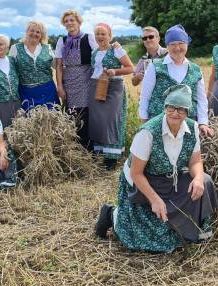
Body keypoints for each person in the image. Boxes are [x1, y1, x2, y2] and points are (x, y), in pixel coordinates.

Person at [95, 84, 217, 252]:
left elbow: (195, 161)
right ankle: (112, 215)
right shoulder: (148, 133)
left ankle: (190, 227)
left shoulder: (193, 128)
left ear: (187, 112)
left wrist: (197, 178)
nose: (175, 113)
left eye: (181, 109)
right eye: (171, 107)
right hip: (144, 181)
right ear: (165, 107)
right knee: (150, 241)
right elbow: (136, 173)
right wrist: (154, 199)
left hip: (169, 179)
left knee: (205, 181)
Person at [138, 24, 213, 137]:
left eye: (181, 43)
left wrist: (203, 123)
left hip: (188, 125)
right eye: (172, 44)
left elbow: (201, 99)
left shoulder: (196, 69)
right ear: (167, 46)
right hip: (158, 125)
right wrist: (145, 124)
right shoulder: (155, 67)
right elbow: (145, 97)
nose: (177, 48)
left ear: (187, 44)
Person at [86, 23, 135, 169]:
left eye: (103, 34)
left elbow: (130, 68)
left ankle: (112, 157)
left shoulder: (117, 50)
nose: (100, 37)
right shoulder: (94, 51)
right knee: (98, 121)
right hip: (96, 86)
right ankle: (100, 153)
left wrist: (115, 71)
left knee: (112, 120)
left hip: (113, 87)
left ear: (109, 36)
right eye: (97, 34)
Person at [54, 10, 95, 149]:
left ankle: (87, 149)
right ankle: (74, 148)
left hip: (85, 80)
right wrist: (60, 86)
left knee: (85, 113)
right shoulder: (62, 40)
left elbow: (101, 52)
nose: (69, 23)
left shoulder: (89, 38)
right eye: (66, 21)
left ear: (79, 22)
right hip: (69, 81)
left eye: (72, 20)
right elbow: (59, 65)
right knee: (71, 114)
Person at [9, 20, 59, 110]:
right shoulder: (15, 48)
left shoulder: (47, 48)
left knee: (51, 117)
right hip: (26, 92)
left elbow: (57, 66)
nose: (34, 34)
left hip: (47, 91)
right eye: (32, 30)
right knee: (28, 118)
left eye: (38, 32)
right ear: (26, 32)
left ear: (42, 35)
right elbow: (10, 71)